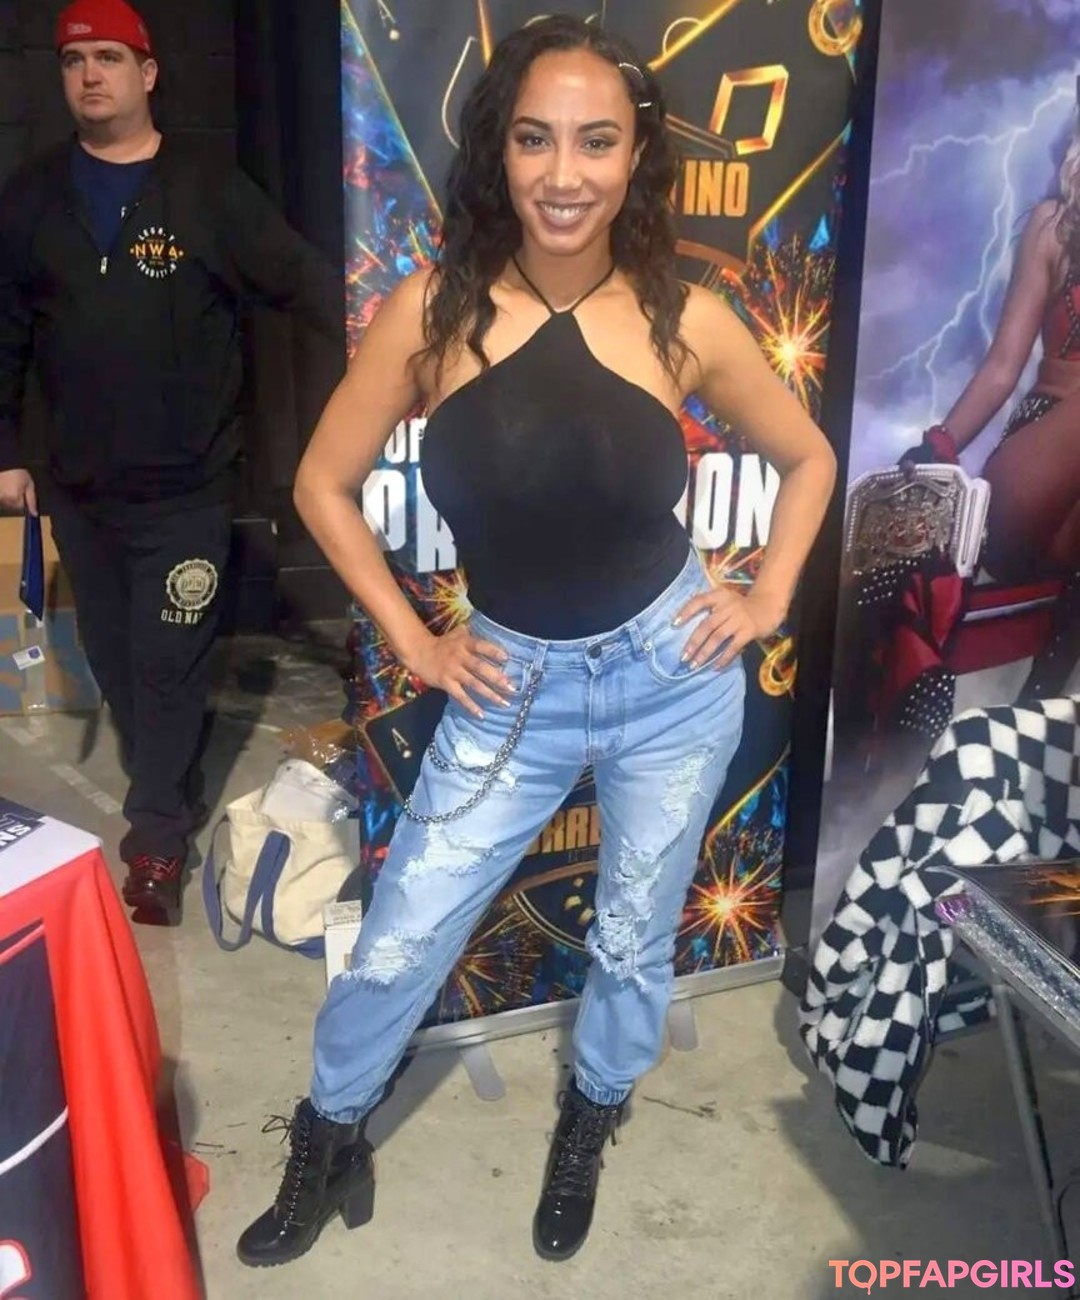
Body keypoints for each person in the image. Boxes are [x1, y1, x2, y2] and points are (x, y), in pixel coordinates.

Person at [238, 15, 836, 1268]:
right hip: (509, 689)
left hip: (672, 680)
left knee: (631, 937)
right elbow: (320, 485)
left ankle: (591, 1115)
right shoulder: (431, 311)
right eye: (535, 140)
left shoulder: (684, 316)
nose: (565, 174)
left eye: (596, 142)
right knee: (402, 935)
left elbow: (809, 458)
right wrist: (416, 640)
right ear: (498, 154)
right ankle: (329, 1133)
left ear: (635, 158)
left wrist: (768, 594)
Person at [0, 0, 342, 923]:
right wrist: (8, 454)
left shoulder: (207, 190)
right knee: (115, 660)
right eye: (74, 61)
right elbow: (5, 333)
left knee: (168, 662)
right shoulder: (32, 197)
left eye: (109, 58)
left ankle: (155, 841)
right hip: (79, 488)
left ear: (147, 74)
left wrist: (400, 347)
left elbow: (304, 281)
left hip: (187, 488)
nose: (90, 75)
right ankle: (168, 776)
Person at [901, 113, 1080, 698]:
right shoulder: (1057, 225)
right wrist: (939, 444)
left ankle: (1042, 699)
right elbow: (1004, 365)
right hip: (1032, 480)